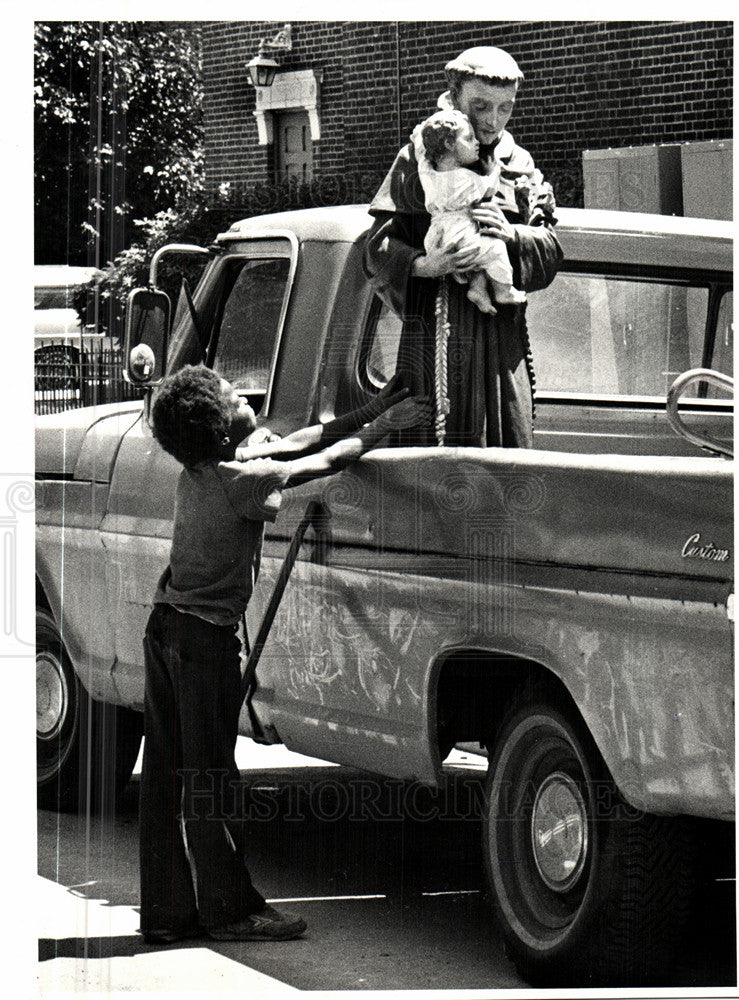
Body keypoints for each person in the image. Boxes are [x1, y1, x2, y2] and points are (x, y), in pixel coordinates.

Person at [140, 365, 430, 944]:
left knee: (168, 778)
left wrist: (372, 409)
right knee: (212, 780)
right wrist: (386, 428)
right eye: (230, 396)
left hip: (165, 630)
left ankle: (168, 914)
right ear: (223, 432)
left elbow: (299, 440)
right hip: (201, 645)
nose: (240, 393)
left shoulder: (204, 468)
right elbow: (320, 461)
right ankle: (227, 911)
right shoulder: (243, 481)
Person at [364, 45, 563, 447]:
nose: (493, 121)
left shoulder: (519, 164)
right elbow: (376, 251)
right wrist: (424, 264)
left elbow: (550, 251)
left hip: (498, 351)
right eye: (481, 106)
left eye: (505, 108)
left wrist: (512, 236)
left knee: (502, 470)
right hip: (431, 348)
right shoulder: (418, 158)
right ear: (454, 98)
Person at [413, 108, 527, 315]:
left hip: (437, 238)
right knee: (494, 249)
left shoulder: (426, 172)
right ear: (449, 144)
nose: (476, 142)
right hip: (460, 234)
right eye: (469, 138)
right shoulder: (465, 178)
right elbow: (489, 187)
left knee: (479, 260)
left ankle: (477, 289)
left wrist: (419, 135)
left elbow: (421, 153)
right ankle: (504, 291)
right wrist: (494, 170)